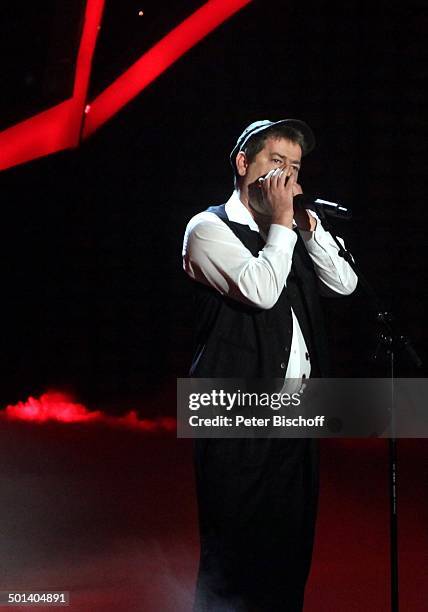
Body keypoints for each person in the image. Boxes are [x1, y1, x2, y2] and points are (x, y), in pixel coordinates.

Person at [182, 119, 358, 611]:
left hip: (297, 418)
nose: (286, 178)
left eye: (295, 168)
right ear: (243, 165)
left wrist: (310, 230)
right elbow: (260, 290)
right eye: (276, 163)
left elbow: (345, 285)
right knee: (233, 561)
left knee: (288, 558)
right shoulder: (207, 227)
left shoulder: (290, 232)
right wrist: (282, 225)